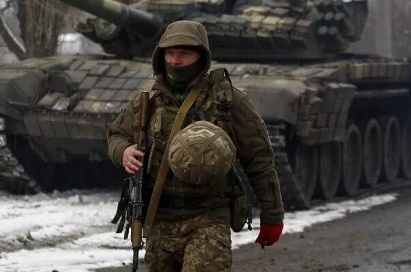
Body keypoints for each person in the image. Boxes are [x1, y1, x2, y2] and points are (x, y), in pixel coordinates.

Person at [108, 20, 285, 272]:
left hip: (208, 217)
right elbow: (117, 134)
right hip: (159, 217)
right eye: (170, 53)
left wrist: (272, 215)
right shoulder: (148, 98)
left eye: (184, 53)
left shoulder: (228, 100)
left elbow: (259, 159)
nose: (175, 61)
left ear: (201, 56)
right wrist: (123, 151)